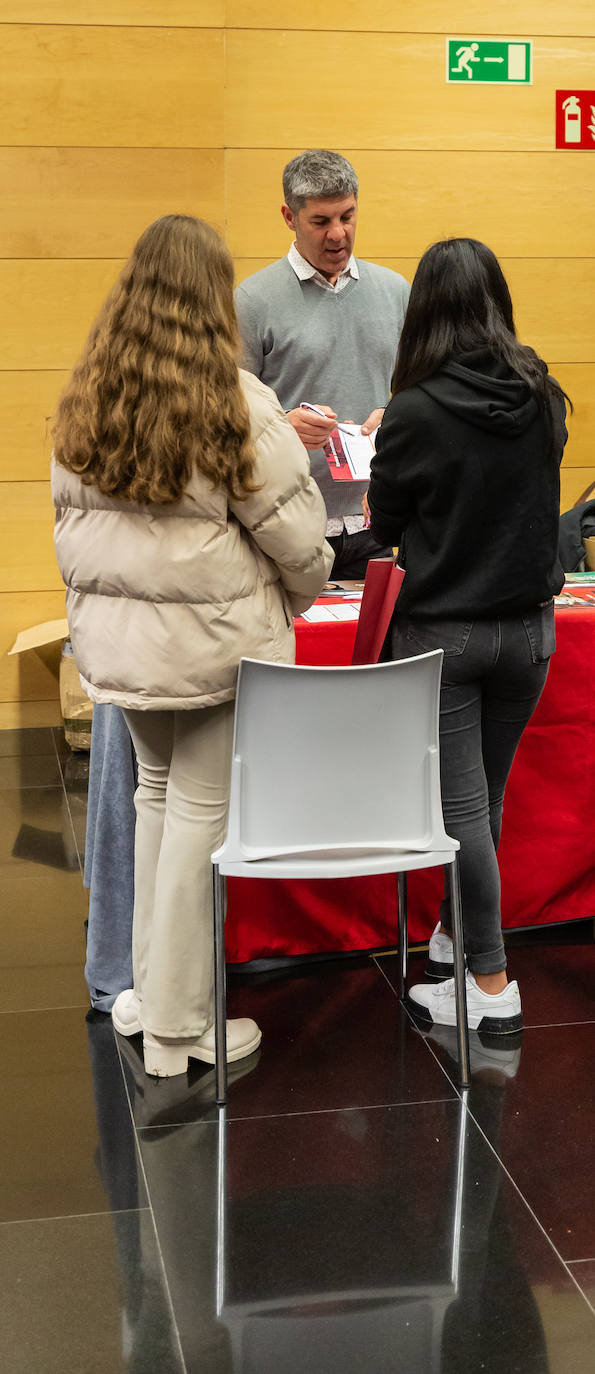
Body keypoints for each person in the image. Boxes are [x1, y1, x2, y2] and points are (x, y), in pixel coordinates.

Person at [51, 214, 333, 1078]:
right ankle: (180, 1028)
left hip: (122, 656)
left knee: (155, 806)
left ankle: (146, 996)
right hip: (213, 656)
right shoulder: (238, 402)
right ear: (216, 299)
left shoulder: (87, 397)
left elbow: (70, 535)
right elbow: (300, 545)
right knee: (197, 824)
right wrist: (289, 597)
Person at [367, 237, 568, 1034]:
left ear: (423, 311)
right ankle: (454, 945)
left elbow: (383, 525)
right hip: (529, 635)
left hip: (443, 638)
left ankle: (488, 985)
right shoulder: (542, 394)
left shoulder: (413, 412)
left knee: (460, 813)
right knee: (484, 803)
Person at [235, 149, 410, 579]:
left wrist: (397, 416)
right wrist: (280, 427)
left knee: (377, 646)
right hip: (288, 520)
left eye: (347, 217)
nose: (338, 235)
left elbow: (418, 390)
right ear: (289, 217)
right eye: (321, 222)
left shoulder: (395, 291)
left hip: (378, 518)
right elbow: (225, 412)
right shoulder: (252, 301)